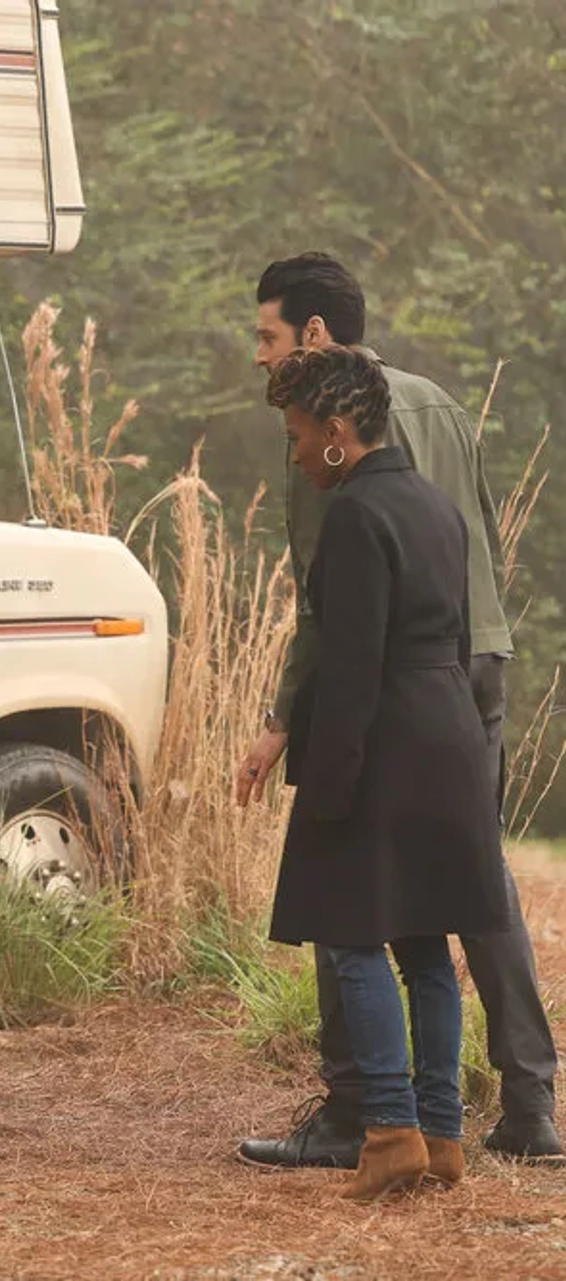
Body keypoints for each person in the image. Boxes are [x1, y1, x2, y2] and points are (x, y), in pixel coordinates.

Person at [235, 253, 561, 1168]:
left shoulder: (329, 425)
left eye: (267, 337)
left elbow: (329, 603)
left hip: (386, 679)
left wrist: (283, 721)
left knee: (356, 879)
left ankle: (361, 1111)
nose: (261, 358)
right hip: (473, 658)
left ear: (314, 337)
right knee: (469, 869)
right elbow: (479, 543)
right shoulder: (444, 403)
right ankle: (530, 1102)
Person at [260, 345, 509, 1199]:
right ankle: (443, 1137)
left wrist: (328, 783)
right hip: (449, 739)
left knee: (351, 932)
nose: (294, 453)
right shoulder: (439, 508)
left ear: (337, 432)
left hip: (386, 743)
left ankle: (391, 1131)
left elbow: (353, 663)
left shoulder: (357, 517)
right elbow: (463, 630)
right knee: (428, 943)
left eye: (298, 436)